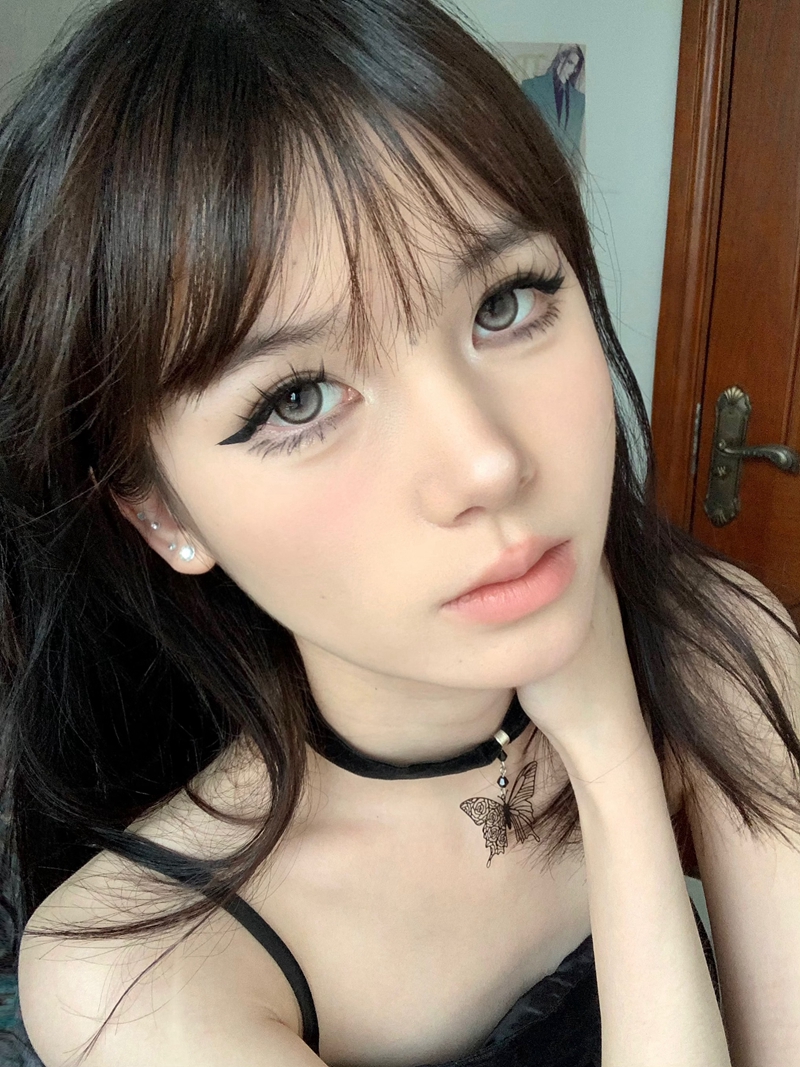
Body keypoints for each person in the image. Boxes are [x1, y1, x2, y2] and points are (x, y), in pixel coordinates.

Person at [1, 1, 798, 1065]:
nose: (485, 462)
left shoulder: (718, 644)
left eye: (506, 302)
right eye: (297, 399)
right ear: (164, 514)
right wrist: (613, 771)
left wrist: (612, 746)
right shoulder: (133, 970)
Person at [521, 46, 586, 165]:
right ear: (561, 58)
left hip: (564, 168)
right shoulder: (531, 86)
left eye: (575, 67)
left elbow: (575, 149)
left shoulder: (579, 101)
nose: (571, 70)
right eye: (570, 63)